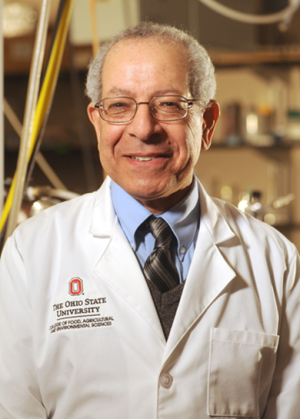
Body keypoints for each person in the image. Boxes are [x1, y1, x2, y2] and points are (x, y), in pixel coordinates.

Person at [0, 21, 300, 419]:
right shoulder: (32, 250)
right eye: (120, 106)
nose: (143, 129)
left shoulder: (274, 259)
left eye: (170, 104)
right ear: (96, 120)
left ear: (207, 123)